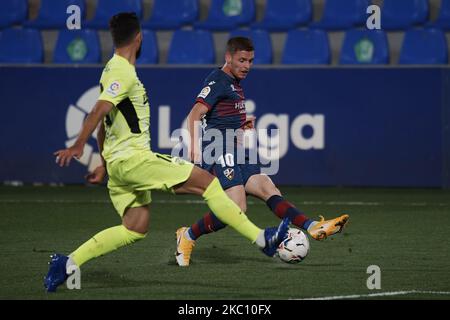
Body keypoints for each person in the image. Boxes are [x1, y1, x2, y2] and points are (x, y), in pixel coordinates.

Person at [44, 13, 290, 292]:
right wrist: (79, 144)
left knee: (134, 228)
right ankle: (263, 240)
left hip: (117, 166)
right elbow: (98, 110)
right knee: (208, 184)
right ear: (139, 38)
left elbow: (105, 122)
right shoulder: (123, 72)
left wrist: (102, 163)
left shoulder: (110, 70)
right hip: (134, 160)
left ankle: (66, 262)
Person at [175, 37, 349, 266]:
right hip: (218, 149)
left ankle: (313, 227)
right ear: (228, 57)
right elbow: (195, 113)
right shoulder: (218, 80)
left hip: (236, 147)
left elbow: (218, 116)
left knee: (267, 187)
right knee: (237, 207)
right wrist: (195, 151)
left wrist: (241, 123)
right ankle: (187, 236)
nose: (247, 65)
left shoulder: (234, 82)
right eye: (242, 60)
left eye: (250, 60)